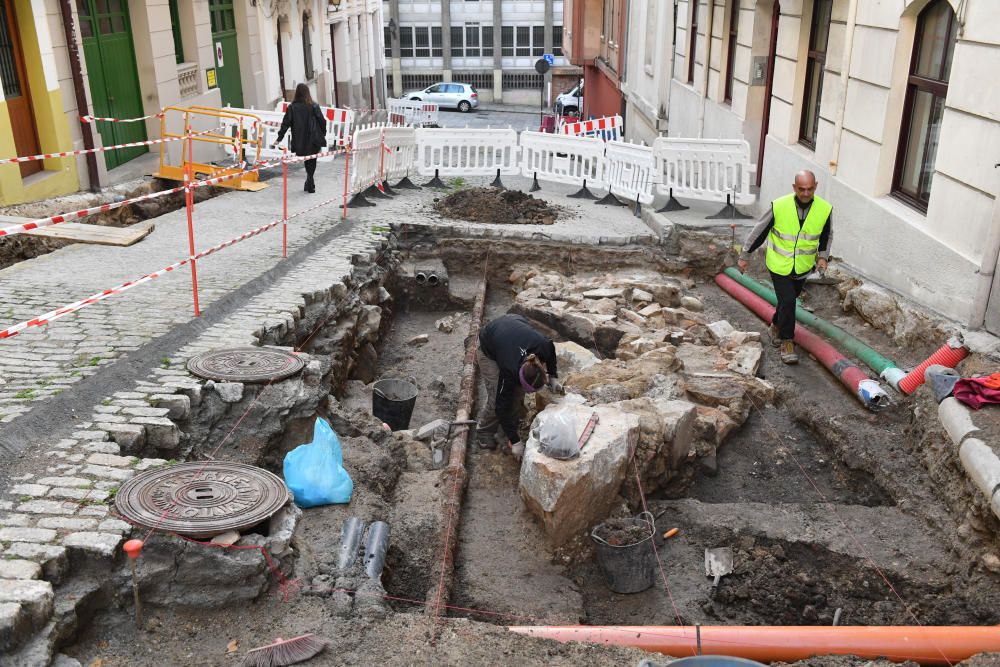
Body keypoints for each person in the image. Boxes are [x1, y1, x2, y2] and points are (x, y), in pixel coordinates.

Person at [737, 170, 833, 364]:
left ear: (816, 186)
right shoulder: (779, 205)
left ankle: (775, 325)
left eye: (810, 189)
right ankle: (787, 341)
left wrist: (823, 257)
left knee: (786, 302)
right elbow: (760, 231)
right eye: (801, 189)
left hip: (803, 267)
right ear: (794, 187)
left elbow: (826, 235)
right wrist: (745, 254)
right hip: (779, 264)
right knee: (789, 300)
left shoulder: (825, 209)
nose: (806, 193)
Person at [476, 314, 562, 459]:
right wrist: (516, 442)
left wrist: (553, 376)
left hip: (513, 323)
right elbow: (500, 406)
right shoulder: (509, 369)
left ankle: (507, 430)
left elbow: (551, 350)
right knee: (496, 397)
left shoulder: (543, 346)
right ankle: (484, 431)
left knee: (516, 396)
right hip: (488, 345)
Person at [274, 83, 327, 193]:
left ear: (297, 93)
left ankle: (309, 180)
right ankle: (310, 180)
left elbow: (285, 124)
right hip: (313, 139)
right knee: (312, 159)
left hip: (299, 140)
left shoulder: (292, 108)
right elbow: (322, 121)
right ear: (308, 93)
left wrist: (279, 138)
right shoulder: (314, 106)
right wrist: (323, 132)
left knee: (306, 159)